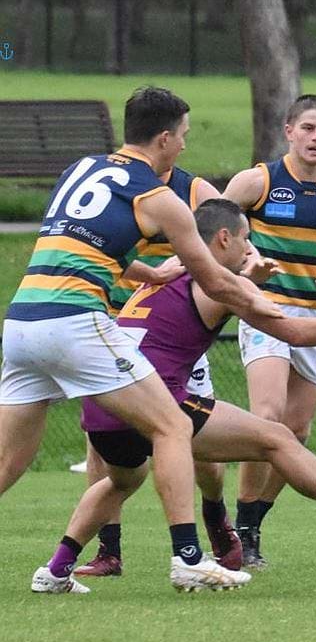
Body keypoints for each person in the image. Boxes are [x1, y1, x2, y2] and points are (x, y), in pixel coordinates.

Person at [32, 199, 316, 594]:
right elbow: (294, 332)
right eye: (246, 239)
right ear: (224, 238)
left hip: (104, 409)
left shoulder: (168, 275)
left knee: (120, 482)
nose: (249, 247)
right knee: (276, 439)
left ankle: (56, 569)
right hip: (154, 402)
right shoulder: (216, 281)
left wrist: (248, 281)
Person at [0, 86, 281, 591]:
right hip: (74, 323)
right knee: (172, 425)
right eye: (185, 138)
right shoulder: (160, 198)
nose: (185, 148)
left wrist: (148, 276)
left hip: (22, 322)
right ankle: (189, 559)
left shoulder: (80, 170)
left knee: (6, 463)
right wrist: (264, 303)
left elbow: (81, 239)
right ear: (166, 138)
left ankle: (57, 574)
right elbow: (217, 283)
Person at [74, 162, 237, 578]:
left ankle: (215, 517)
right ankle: (109, 551)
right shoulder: (114, 189)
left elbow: (226, 240)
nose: (182, 143)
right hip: (116, 322)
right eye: (180, 133)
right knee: (99, 443)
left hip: (176, 328)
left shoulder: (193, 188)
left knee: (197, 444)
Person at [222, 94, 316, 570]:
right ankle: (239, 532)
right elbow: (212, 230)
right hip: (265, 309)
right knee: (266, 416)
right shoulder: (258, 180)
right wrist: (246, 265)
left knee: (295, 431)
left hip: (313, 318)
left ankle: (254, 521)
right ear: (288, 131)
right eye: (308, 128)